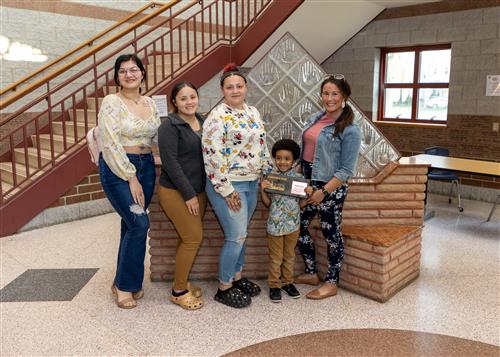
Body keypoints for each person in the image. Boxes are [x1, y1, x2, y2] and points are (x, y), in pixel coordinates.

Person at [202, 63, 272, 308]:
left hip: (252, 183)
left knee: (243, 236)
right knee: (236, 236)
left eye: (239, 86)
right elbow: (212, 155)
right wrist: (226, 189)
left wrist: (266, 172)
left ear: (246, 88)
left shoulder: (252, 111)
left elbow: (261, 145)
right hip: (229, 186)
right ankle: (224, 286)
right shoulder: (217, 117)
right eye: (229, 87)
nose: (235, 90)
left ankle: (237, 277)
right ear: (222, 89)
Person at [98, 53, 161, 309]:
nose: (129, 74)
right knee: (138, 222)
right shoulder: (112, 102)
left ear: (142, 73)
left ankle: (124, 281)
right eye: (122, 71)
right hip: (119, 169)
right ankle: (125, 286)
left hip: (146, 166)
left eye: (133, 69)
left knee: (129, 225)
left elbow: (157, 136)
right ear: (117, 77)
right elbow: (110, 142)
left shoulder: (150, 102)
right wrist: (130, 175)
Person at [295, 74, 362, 300]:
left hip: (329, 187)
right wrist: (300, 180)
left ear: (344, 96)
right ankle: (312, 272)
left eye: (335, 94)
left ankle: (332, 282)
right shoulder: (316, 118)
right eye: (326, 93)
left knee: (331, 234)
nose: (329, 98)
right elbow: (306, 151)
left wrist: (323, 192)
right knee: (298, 226)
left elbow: (345, 171)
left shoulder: (350, 129)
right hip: (308, 183)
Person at [157, 81, 206, 310]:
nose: (189, 102)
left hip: (199, 190)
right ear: (174, 102)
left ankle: (182, 280)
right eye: (183, 98)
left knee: (185, 238)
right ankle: (178, 291)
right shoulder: (169, 126)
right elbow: (171, 163)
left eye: (192, 97)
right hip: (176, 192)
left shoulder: (203, 121)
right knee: (193, 238)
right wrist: (188, 195)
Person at [260, 139, 312, 303]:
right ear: (275, 159)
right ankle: (274, 285)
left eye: (286, 158)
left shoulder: (298, 179)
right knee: (276, 258)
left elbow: (301, 204)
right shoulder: (271, 178)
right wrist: (262, 190)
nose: (282, 162)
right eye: (279, 158)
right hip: (274, 226)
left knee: (289, 256)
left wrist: (308, 194)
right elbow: (268, 203)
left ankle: (287, 283)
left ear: (293, 160)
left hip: (292, 226)